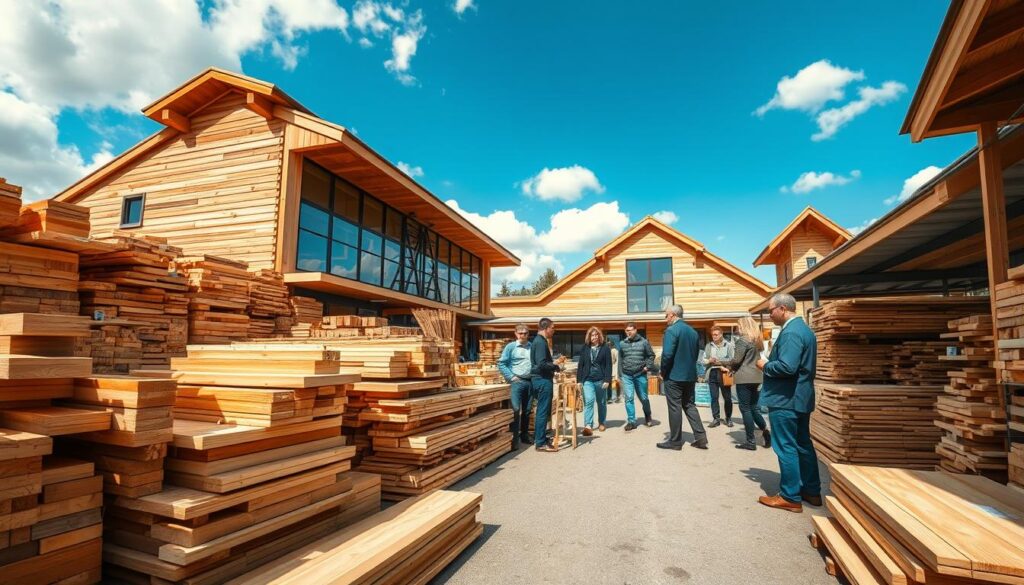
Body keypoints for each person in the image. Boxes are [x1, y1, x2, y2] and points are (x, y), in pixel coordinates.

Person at [756, 293, 821, 512]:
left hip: (786, 398)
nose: (770, 314)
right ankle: (811, 490)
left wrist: (765, 365)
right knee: (803, 444)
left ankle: (790, 496)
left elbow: (786, 367)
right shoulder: (804, 330)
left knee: (786, 446)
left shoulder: (792, 332)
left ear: (783, 308)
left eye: (771, 310)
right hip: (799, 397)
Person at [657, 304, 708, 451]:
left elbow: (667, 355)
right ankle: (701, 438)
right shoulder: (693, 332)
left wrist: (663, 372)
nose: (665, 318)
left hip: (674, 376)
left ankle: (675, 441)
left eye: (666, 315)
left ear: (673, 315)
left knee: (675, 407)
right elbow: (695, 353)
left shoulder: (672, 330)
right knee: (689, 405)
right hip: (689, 375)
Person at [724, 316, 770, 450]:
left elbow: (736, 360)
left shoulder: (742, 341)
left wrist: (721, 362)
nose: (738, 327)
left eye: (739, 325)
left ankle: (750, 441)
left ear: (744, 326)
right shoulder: (757, 341)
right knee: (754, 407)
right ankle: (765, 431)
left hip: (744, 377)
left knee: (745, 408)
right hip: (757, 376)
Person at [497, 323, 533, 448]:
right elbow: (501, 363)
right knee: (516, 410)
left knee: (527, 411)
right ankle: (514, 439)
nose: (523, 335)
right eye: (520, 333)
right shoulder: (510, 347)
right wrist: (511, 377)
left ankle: (524, 435)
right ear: (516, 334)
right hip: (517, 383)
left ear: (528, 334)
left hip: (530, 382)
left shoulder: (532, 347)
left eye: (525, 333)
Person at [619, 322, 655, 431]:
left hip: (640, 375)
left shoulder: (644, 342)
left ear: (635, 330)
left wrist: (647, 367)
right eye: (626, 330)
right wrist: (620, 375)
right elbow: (620, 360)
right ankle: (631, 421)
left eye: (630, 330)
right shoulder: (622, 344)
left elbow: (651, 355)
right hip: (627, 375)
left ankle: (648, 415)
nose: (628, 332)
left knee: (644, 398)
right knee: (629, 398)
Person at [531, 317, 560, 452]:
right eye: (552, 328)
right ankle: (540, 442)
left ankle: (541, 438)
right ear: (545, 328)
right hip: (542, 380)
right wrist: (555, 365)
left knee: (544, 411)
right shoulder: (541, 343)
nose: (553, 331)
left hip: (541, 379)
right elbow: (542, 363)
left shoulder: (539, 341)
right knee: (542, 412)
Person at [577, 327, 612, 436]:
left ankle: (602, 422)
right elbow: (581, 365)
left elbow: (608, 365)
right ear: (589, 337)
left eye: (596, 335)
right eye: (592, 335)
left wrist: (607, 379)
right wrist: (579, 380)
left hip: (601, 379)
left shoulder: (605, 348)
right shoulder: (585, 348)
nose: (594, 337)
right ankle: (588, 425)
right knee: (589, 400)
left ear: (599, 336)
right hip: (588, 379)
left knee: (601, 403)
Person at [704, 326, 734, 428]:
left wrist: (722, 363)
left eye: (716, 334)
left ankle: (728, 418)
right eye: (713, 335)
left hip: (724, 373)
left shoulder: (728, 345)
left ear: (721, 335)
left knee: (727, 398)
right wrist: (709, 361)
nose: (714, 336)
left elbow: (732, 360)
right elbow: (703, 360)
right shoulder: (709, 346)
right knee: (714, 397)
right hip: (712, 372)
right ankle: (716, 419)